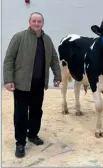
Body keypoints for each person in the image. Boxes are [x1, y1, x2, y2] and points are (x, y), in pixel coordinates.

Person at [3, 12, 62, 158]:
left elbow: (54, 59)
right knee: (21, 114)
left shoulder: (46, 40)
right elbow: (9, 59)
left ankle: (33, 134)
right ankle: (20, 143)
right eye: (34, 21)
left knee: (36, 111)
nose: (37, 23)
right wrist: (8, 79)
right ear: (30, 22)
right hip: (21, 84)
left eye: (39, 21)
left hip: (39, 84)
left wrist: (57, 75)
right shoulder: (19, 37)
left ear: (42, 23)